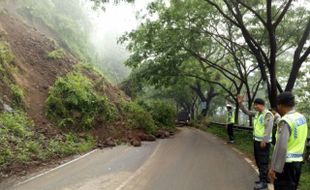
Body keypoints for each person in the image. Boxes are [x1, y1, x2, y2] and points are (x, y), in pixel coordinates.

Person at [268, 92, 308, 190]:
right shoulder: (301, 118)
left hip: (285, 165)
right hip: (297, 162)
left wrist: (274, 168)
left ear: (280, 105)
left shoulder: (285, 121)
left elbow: (281, 147)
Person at [237, 95, 274, 190]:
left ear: (261, 105)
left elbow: (268, 128)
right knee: (258, 160)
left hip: (263, 143)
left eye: (256, 105)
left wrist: (264, 140)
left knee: (263, 162)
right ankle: (264, 178)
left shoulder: (267, 114)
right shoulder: (258, 113)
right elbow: (247, 112)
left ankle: (263, 182)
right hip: (256, 141)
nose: (255, 107)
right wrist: (240, 103)